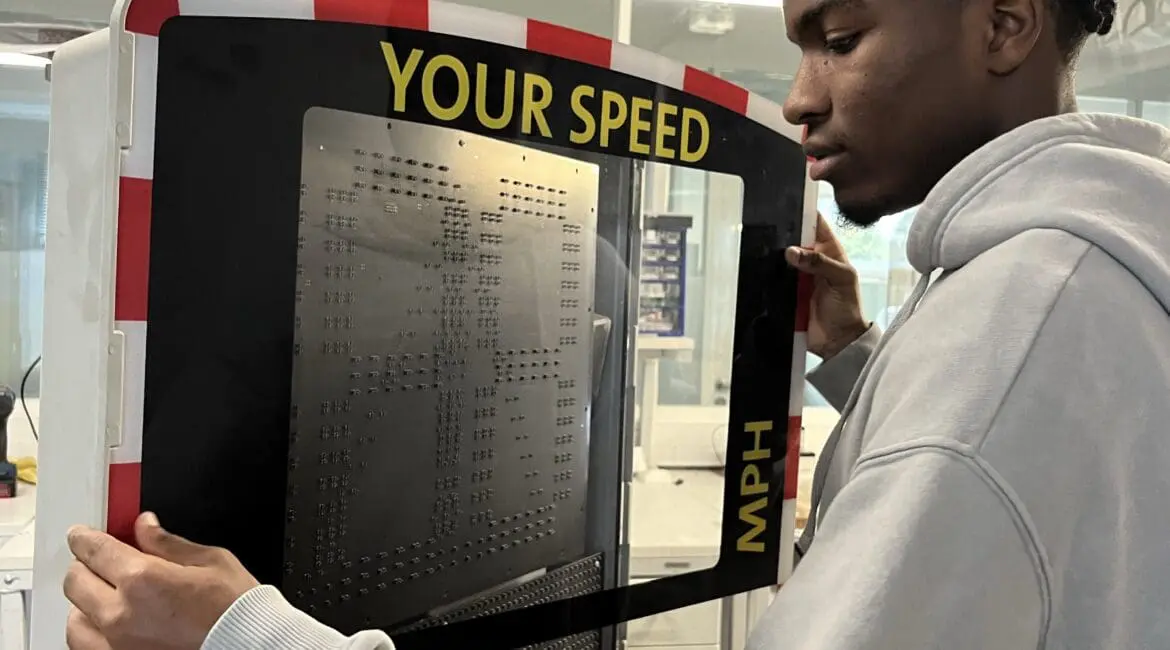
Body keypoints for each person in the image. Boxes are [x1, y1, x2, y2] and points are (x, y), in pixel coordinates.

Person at [63, 0, 1170, 644]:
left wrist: (247, 637)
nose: (799, 97)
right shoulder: (1075, 279)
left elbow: (968, 440)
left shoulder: (1018, 330)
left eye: (841, 35)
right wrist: (855, 358)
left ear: (1005, 23)